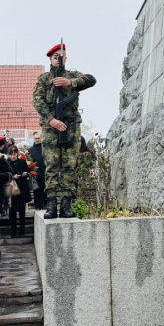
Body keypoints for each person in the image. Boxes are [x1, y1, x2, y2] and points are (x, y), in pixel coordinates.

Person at [32, 43, 96, 219]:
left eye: (61, 56)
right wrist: (51, 120)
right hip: (50, 129)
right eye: (55, 57)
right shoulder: (44, 79)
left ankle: (67, 204)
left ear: (66, 58)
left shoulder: (73, 76)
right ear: (50, 59)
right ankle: (51, 204)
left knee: (69, 164)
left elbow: (91, 79)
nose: (58, 59)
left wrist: (71, 83)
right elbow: (37, 101)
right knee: (52, 165)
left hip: (71, 128)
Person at [6, 146, 32, 237]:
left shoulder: (22, 162)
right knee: (12, 211)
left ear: (17, 154)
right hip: (12, 190)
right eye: (11, 155)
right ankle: (13, 231)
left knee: (22, 209)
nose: (13, 156)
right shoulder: (7, 163)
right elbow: (5, 175)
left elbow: (27, 171)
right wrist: (13, 176)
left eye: (14, 154)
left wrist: (24, 174)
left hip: (22, 189)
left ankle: (22, 230)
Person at [28, 131, 47, 211]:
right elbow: (29, 161)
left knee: (44, 189)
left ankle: (44, 204)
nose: (37, 140)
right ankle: (37, 205)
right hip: (35, 174)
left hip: (45, 173)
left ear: (41, 138)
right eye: (36, 138)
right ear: (33, 139)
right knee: (36, 190)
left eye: (38, 138)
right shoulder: (30, 150)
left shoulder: (45, 148)